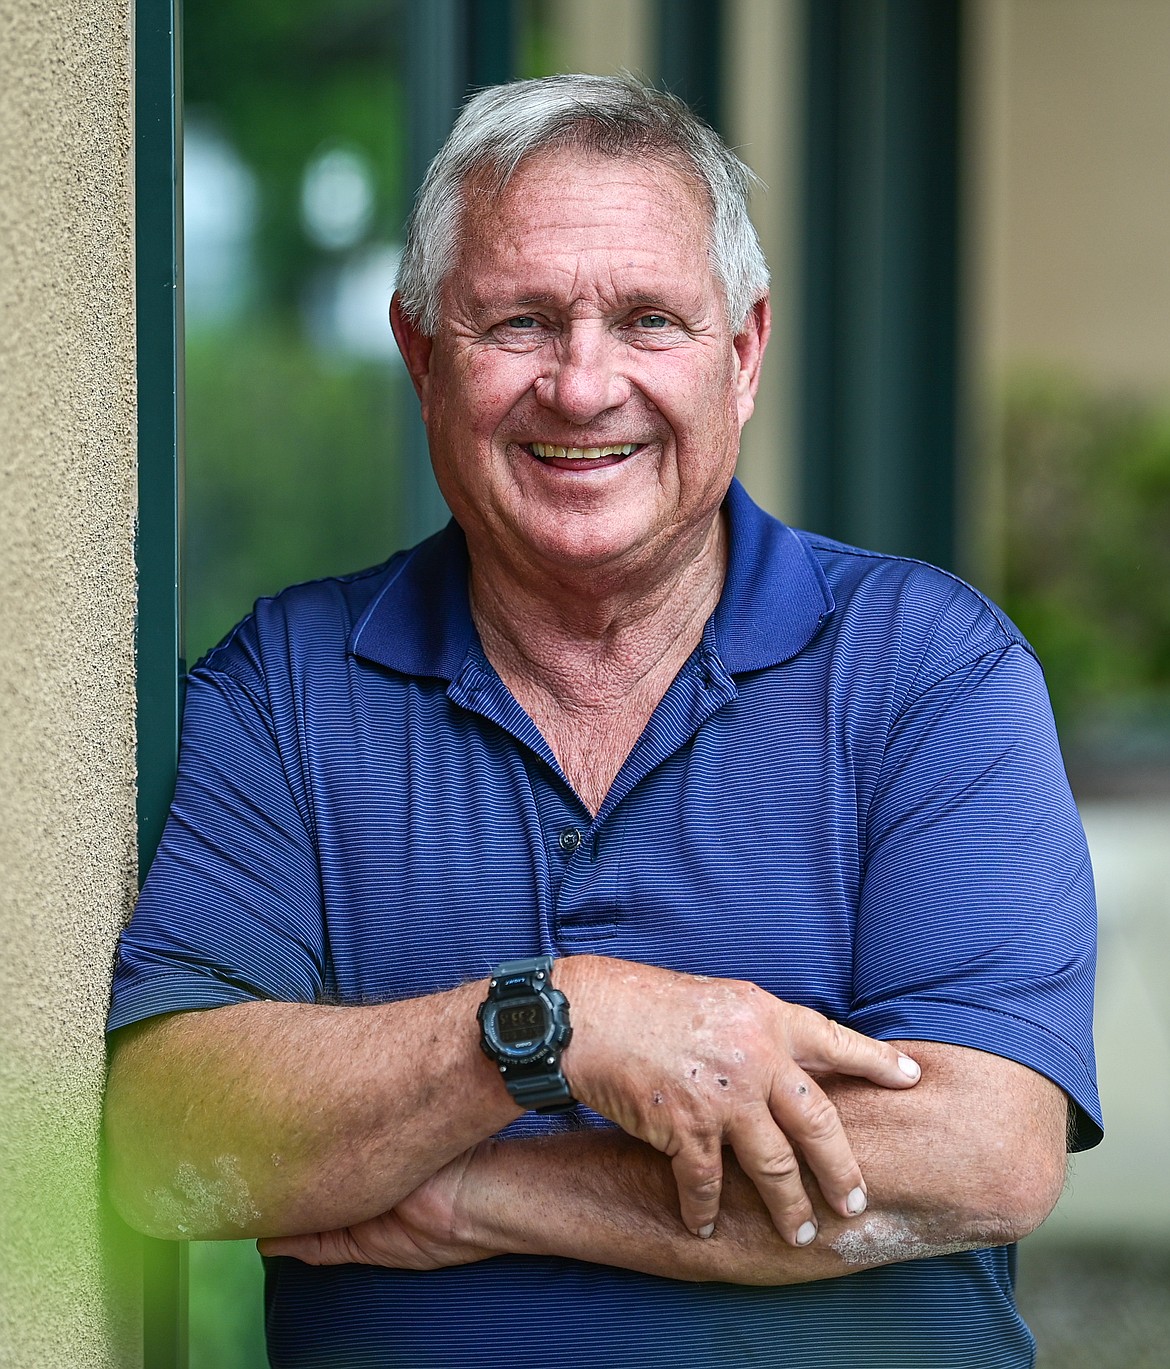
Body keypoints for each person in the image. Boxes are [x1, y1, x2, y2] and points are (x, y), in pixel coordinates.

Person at [105, 74, 1101, 1368]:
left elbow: (980, 1152)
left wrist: (478, 1191)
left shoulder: (926, 671)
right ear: (419, 356)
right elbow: (168, 1140)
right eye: (519, 322)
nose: (583, 388)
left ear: (740, 355)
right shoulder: (285, 688)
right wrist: (550, 1021)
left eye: (646, 320)